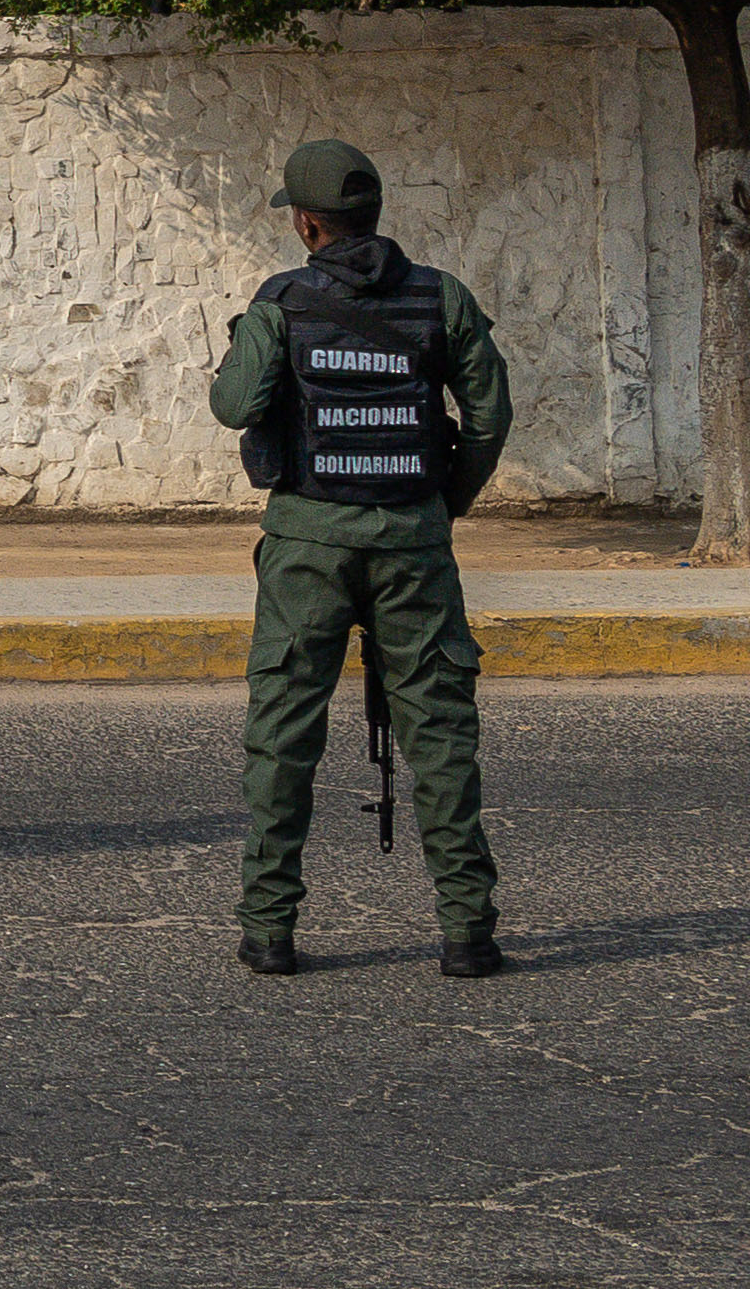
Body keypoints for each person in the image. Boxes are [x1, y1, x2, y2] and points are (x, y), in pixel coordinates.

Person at [209, 139, 512, 979]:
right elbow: (488, 416)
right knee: (440, 734)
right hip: (412, 541)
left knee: (283, 735)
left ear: (306, 223)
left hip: (308, 542)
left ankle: (268, 930)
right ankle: (467, 932)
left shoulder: (281, 301)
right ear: (372, 214)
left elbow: (233, 406)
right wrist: (443, 501)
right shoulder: (439, 298)